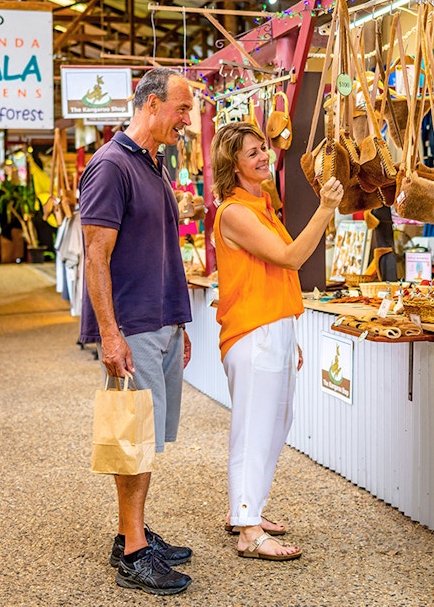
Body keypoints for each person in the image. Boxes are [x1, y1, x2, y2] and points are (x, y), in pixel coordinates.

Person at [79, 67, 195, 596]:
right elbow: (94, 256)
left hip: (160, 321)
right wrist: (110, 333)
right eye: (182, 109)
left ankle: (134, 530)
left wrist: (179, 321)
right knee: (133, 441)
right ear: (151, 104)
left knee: (147, 439)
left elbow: (160, 248)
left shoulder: (152, 164)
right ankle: (132, 552)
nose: (187, 120)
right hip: (133, 325)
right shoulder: (110, 166)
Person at [210, 121, 344, 561]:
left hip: (274, 329)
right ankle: (248, 528)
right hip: (254, 333)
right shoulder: (234, 212)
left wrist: (288, 332)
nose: (263, 156)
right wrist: (325, 209)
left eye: (262, 148)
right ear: (233, 165)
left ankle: (250, 509)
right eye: (252, 153)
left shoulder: (261, 204)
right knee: (253, 429)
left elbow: (274, 273)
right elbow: (289, 258)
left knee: (275, 424)